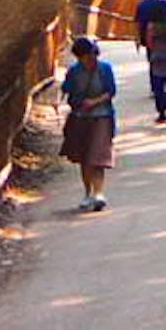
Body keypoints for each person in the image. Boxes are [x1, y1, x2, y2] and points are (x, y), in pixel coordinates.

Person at [60, 30, 120, 208]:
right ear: (80, 57)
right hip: (80, 117)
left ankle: (99, 193)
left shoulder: (105, 69)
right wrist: (59, 102)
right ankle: (88, 193)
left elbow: (111, 91)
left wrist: (94, 102)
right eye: (87, 56)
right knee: (85, 158)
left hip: (101, 115)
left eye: (94, 55)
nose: (91, 59)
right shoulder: (74, 72)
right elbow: (66, 89)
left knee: (98, 156)